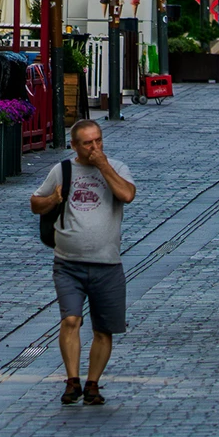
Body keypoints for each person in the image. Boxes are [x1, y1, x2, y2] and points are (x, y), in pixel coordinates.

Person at [30, 119, 136, 406]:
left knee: (103, 329)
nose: (95, 147)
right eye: (88, 143)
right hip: (68, 263)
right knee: (71, 319)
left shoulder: (117, 168)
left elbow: (127, 195)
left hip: (107, 264)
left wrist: (103, 165)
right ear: (74, 145)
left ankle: (92, 384)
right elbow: (35, 203)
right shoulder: (62, 170)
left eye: (98, 140)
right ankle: (72, 380)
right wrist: (53, 198)